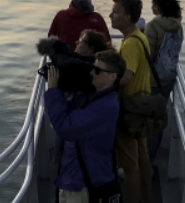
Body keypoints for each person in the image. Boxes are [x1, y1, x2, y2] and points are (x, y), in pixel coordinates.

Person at [44, 50, 126, 203]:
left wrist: (53, 91)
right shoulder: (93, 95)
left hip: (82, 184)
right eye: (92, 68)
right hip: (71, 176)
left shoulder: (106, 107)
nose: (91, 73)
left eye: (97, 70)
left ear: (112, 76)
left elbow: (65, 128)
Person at [110, 0, 152, 203]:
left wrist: (104, 83)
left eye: (115, 12)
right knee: (142, 156)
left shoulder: (130, 44)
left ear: (127, 17)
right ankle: (146, 197)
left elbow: (127, 76)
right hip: (141, 106)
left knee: (129, 164)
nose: (111, 15)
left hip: (130, 110)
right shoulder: (139, 37)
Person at [144, 0, 183, 160]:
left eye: (153, 4)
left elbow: (149, 55)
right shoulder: (178, 25)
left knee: (149, 122)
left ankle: (146, 162)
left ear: (158, 7)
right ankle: (152, 158)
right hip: (168, 78)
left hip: (153, 80)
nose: (151, 7)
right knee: (158, 119)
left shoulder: (153, 26)